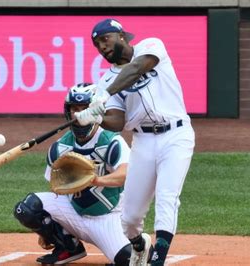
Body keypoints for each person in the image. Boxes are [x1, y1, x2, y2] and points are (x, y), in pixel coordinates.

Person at [75, 18, 196, 266]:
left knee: (167, 196)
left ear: (121, 36)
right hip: (143, 141)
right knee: (129, 218)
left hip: (176, 135)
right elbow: (118, 122)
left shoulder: (150, 46)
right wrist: (94, 118)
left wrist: (104, 95)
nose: (102, 47)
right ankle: (140, 246)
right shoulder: (106, 82)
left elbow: (137, 68)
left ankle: (157, 259)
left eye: (105, 39)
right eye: (97, 45)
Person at [13, 83, 136, 265]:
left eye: (84, 109)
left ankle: (132, 244)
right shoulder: (61, 147)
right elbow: (55, 188)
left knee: (128, 260)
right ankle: (68, 247)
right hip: (74, 212)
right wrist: (48, 229)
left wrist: (95, 180)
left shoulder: (111, 141)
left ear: (95, 111)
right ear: (68, 112)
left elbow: (125, 175)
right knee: (27, 208)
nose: (78, 114)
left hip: (107, 217)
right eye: (74, 109)